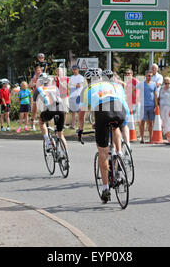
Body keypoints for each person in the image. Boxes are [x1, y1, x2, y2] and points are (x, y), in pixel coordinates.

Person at [76, 68, 130, 203]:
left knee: (103, 153)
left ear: (88, 80)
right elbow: (124, 102)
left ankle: (105, 188)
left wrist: (80, 130)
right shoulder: (113, 84)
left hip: (103, 113)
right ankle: (119, 152)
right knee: (115, 126)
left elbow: (81, 114)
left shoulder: (87, 89)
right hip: (121, 111)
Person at [31, 73, 68, 164]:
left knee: (41, 122)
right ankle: (65, 155)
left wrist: (33, 118)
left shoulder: (38, 90)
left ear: (40, 82)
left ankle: (47, 142)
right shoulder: (55, 88)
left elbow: (34, 107)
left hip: (49, 110)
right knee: (60, 134)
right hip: (61, 109)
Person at [136, 70, 159, 144]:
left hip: (151, 105)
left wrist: (156, 105)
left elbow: (155, 95)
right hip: (143, 105)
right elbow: (134, 89)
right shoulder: (141, 84)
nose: (150, 77)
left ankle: (150, 138)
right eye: (148, 75)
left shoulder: (153, 84)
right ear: (145, 76)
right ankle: (142, 138)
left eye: (151, 76)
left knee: (150, 123)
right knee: (142, 122)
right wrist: (137, 98)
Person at [158, 77, 170, 143]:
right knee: (163, 122)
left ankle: (169, 137)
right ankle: (165, 137)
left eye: (168, 83)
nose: (167, 85)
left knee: (169, 122)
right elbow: (159, 98)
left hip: (169, 107)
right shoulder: (161, 89)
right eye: (165, 83)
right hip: (162, 107)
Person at [68, 65, 85, 129]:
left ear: (78, 70)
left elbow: (79, 85)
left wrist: (72, 85)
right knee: (72, 112)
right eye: (73, 69)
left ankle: (79, 126)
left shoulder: (80, 77)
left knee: (79, 112)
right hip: (72, 95)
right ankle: (73, 125)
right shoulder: (71, 77)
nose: (74, 70)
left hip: (78, 95)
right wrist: (74, 85)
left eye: (75, 69)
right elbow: (69, 86)